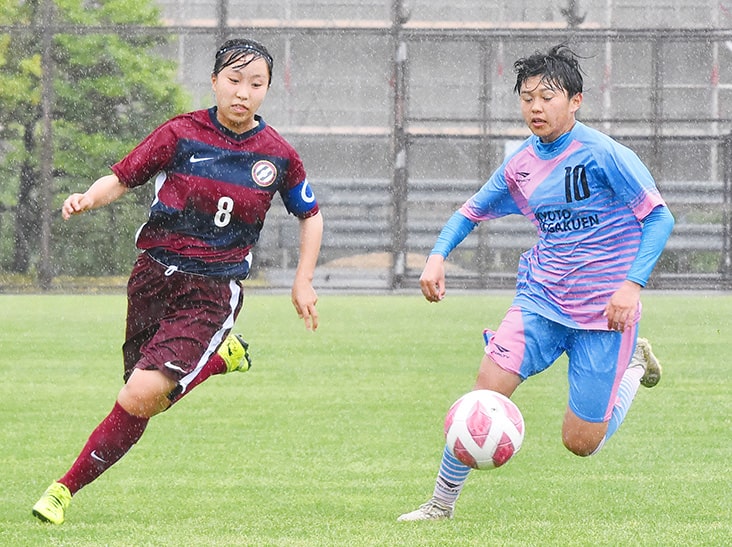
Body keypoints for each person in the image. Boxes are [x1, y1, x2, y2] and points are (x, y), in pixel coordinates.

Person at [32, 38, 323, 525]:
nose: (243, 93)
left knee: (140, 396)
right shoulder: (180, 133)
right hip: (152, 277)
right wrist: (87, 197)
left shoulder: (278, 157)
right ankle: (219, 361)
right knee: (141, 397)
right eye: (233, 81)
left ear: (268, 90)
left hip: (212, 289)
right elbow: (124, 177)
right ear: (213, 81)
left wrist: (304, 280)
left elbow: (310, 215)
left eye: (256, 84)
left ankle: (63, 489)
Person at [397, 44, 674, 522]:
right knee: (483, 395)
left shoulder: (605, 155)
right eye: (527, 98)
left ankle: (630, 370)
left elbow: (659, 216)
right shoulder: (521, 164)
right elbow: (471, 211)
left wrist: (632, 286)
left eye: (547, 97)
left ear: (576, 101)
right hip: (541, 301)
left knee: (581, 443)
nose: (535, 108)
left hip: (604, 315)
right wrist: (437, 256)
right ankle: (441, 504)